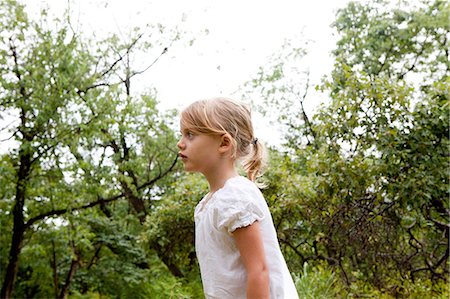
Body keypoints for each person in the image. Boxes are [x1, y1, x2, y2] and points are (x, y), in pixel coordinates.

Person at [177, 97, 299, 299]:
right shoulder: (208, 204)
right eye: (181, 134)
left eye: (190, 134)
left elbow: (259, 271)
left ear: (224, 143)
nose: (180, 143)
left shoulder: (234, 196)